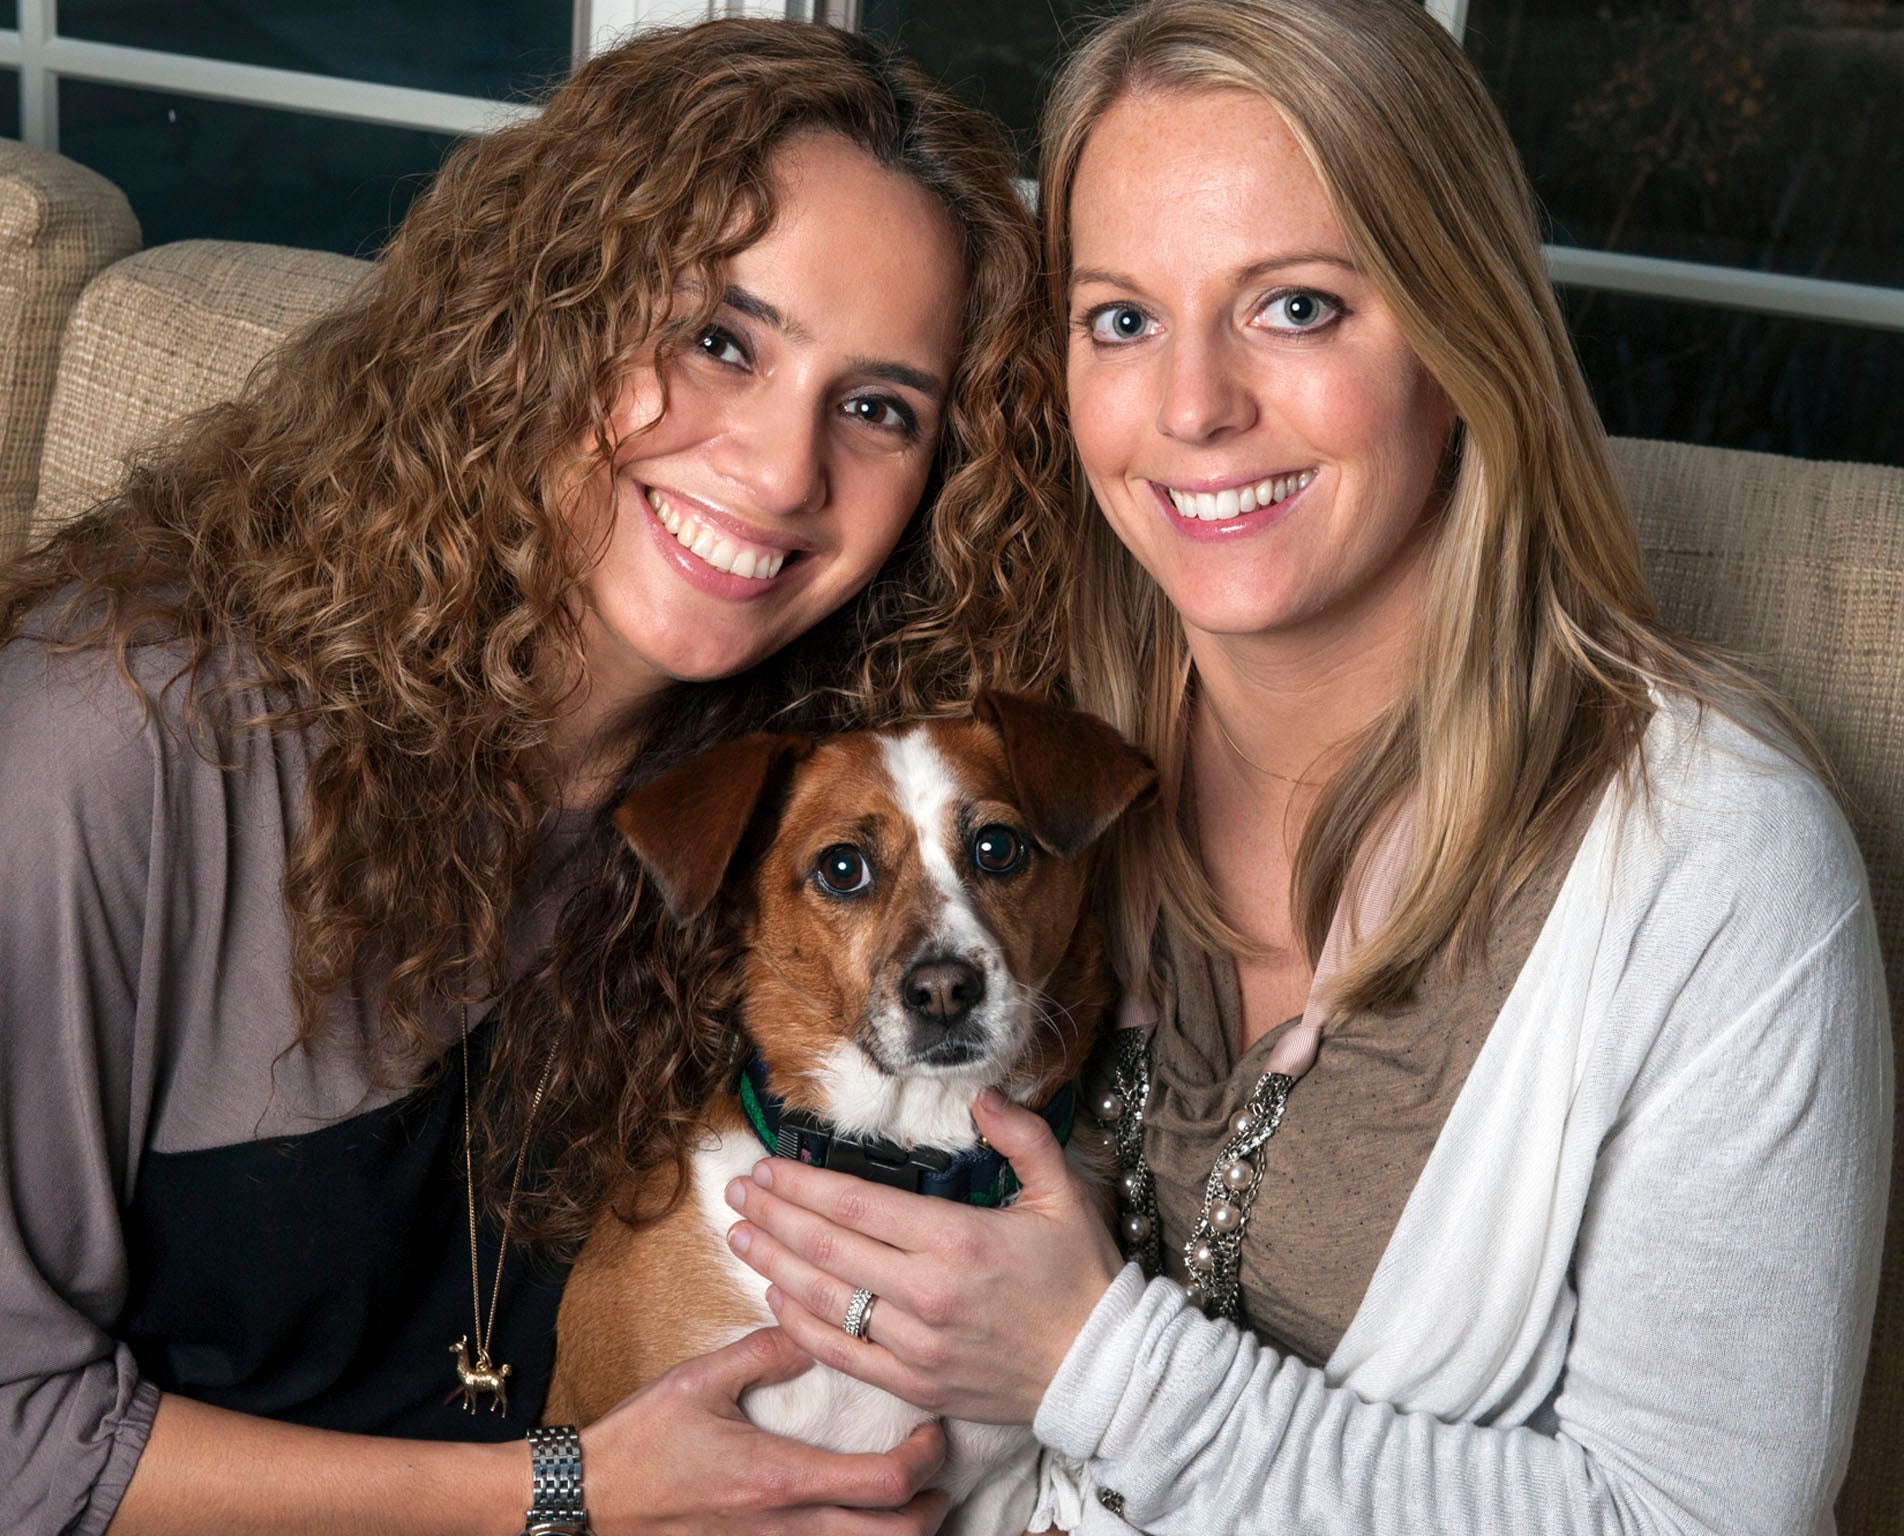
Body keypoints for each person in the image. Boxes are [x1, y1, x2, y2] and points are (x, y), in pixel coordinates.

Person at [0, 19, 1072, 1536]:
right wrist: (565, 1493)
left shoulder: (788, 811)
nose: (779, 469)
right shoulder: (121, 732)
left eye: (880, 407)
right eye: (722, 339)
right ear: (552, 308)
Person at [717, 2, 1893, 1532]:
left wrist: (1096, 1365)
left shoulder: (1715, 869)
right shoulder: (1039, 775)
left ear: (1465, 337)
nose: (1195, 406)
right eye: (1123, 320)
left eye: (1296, 308)